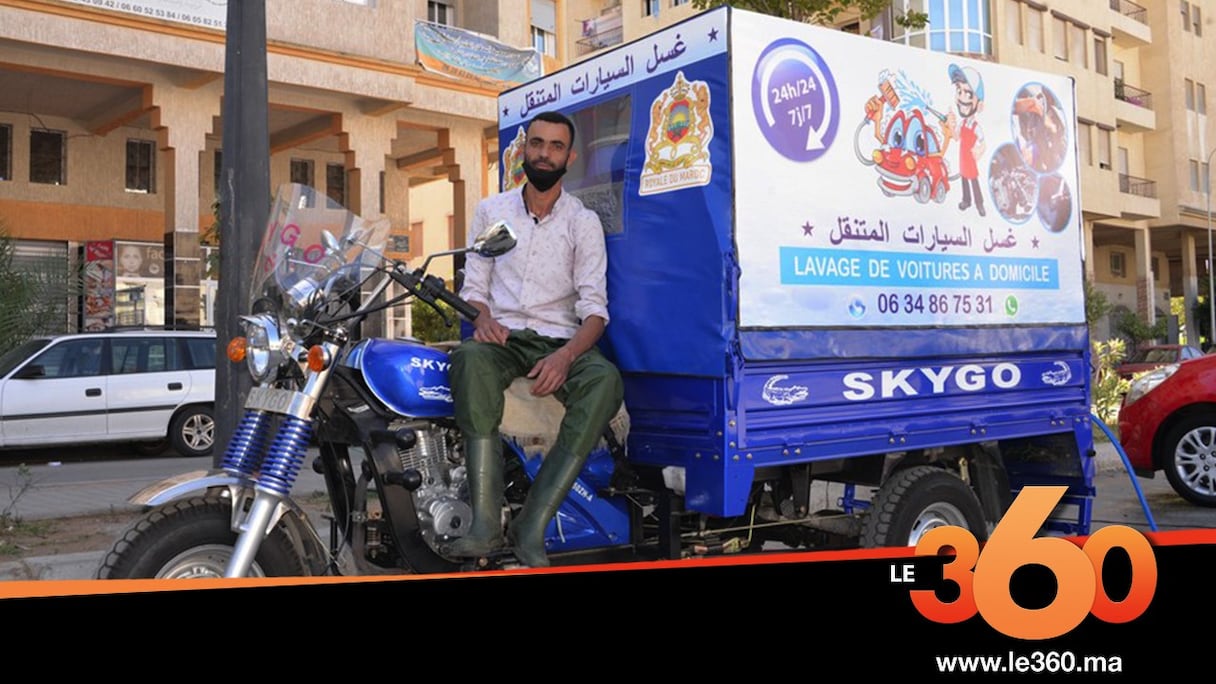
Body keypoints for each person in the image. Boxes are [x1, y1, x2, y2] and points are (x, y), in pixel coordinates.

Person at [445, 110, 624, 568]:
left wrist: (565, 358)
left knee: (604, 381)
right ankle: (485, 526)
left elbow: (595, 310)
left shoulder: (581, 223)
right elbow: (475, 290)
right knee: (469, 358)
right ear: (524, 150)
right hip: (503, 338)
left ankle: (532, 525)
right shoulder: (492, 211)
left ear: (570, 157)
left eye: (555, 146)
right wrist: (482, 320)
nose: (544, 154)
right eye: (537, 144)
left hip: (558, 339)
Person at [943, 64, 986, 217]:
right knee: (964, 180)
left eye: (968, 94)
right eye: (959, 91)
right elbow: (956, 137)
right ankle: (966, 200)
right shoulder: (962, 124)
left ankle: (979, 204)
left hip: (970, 159)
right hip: (963, 158)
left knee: (973, 181)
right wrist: (950, 124)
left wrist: (979, 151)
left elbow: (983, 142)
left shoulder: (975, 126)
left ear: (979, 105)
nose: (961, 98)